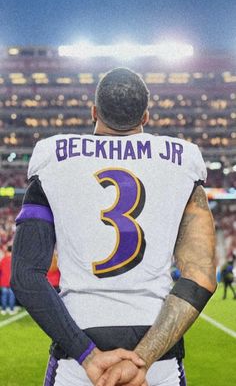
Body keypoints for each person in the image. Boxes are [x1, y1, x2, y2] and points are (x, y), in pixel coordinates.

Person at [11, 68, 216, 386]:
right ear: (146, 116)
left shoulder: (53, 158)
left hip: (78, 349)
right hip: (157, 351)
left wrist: (88, 356)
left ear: (93, 111)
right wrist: (143, 359)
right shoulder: (183, 161)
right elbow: (200, 276)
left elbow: (24, 277)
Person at [0, 246, 16, 315]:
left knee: (4, 295)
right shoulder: (14, 260)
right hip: (11, 280)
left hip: (4, 280)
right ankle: (11, 309)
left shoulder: (3, 259)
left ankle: (4, 309)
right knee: (12, 295)